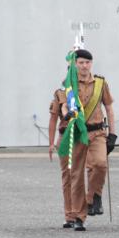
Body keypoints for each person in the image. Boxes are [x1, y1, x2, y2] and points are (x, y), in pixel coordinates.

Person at [67, 49, 115, 231]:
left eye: (87, 62)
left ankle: (94, 196)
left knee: (101, 164)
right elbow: (64, 105)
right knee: (77, 175)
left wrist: (113, 133)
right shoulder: (69, 83)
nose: (84, 66)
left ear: (91, 64)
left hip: (97, 132)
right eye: (81, 63)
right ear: (75, 64)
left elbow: (109, 107)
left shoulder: (100, 83)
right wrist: (67, 115)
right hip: (79, 133)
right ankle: (79, 216)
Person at [48, 84, 74, 228]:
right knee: (68, 175)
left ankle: (83, 208)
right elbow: (53, 119)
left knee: (83, 173)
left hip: (83, 135)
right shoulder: (60, 92)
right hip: (65, 136)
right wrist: (51, 143)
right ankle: (69, 215)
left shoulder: (88, 88)